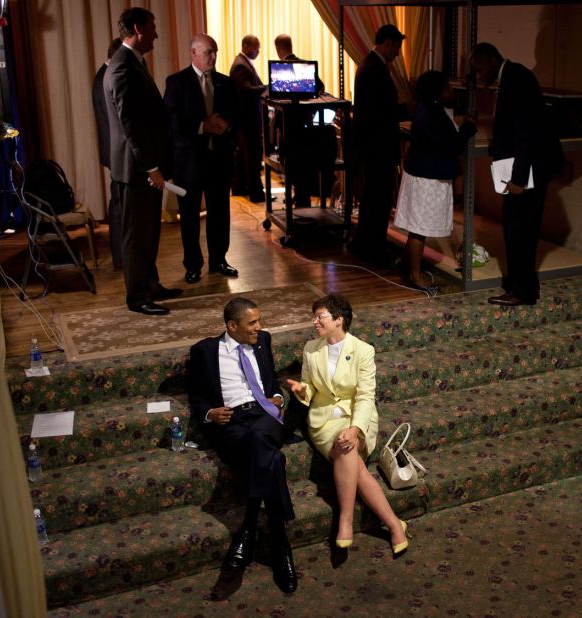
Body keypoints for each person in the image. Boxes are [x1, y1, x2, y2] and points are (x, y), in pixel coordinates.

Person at [285, 294, 411, 557]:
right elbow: (310, 390)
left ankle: (345, 519)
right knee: (347, 451)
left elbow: (365, 396)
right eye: (315, 316)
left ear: (339, 319)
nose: (314, 321)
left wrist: (355, 429)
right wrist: (301, 390)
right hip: (323, 420)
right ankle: (393, 524)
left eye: (320, 316)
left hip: (358, 417)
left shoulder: (363, 351)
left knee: (347, 444)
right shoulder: (311, 348)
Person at [187, 297, 298, 593]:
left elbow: (271, 381)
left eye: (259, 321)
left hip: (265, 414)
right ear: (231, 326)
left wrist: (276, 396)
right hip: (232, 422)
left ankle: (248, 529)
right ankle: (279, 541)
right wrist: (210, 413)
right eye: (252, 323)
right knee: (273, 460)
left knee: (262, 435)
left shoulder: (263, 341)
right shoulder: (205, 351)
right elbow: (196, 396)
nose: (259, 327)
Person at [469, 42, 565, 307]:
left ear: (490, 59)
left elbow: (526, 133)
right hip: (524, 165)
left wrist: (519, 179)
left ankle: (522, 291)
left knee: (519, 227)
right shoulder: (511, 77)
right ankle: (519, 285)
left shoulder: (516, 79)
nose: (479, 76)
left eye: (478, 69)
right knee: (515, 226)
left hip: (528, 169)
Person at [103, 7, 182, 315]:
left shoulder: (133, 62)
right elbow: (130, 124)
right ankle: (138, 297)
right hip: (135, 169)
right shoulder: (122, 66)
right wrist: (152, 167)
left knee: (149, 231)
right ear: (137, 28)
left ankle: (150, 284)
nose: (156, 35)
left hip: (143, 167)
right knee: (136, 236)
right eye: (152, 28)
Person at [164, 34, 241, 283]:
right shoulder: (176, 82)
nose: (214, 56)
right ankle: (193, 265)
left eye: (215, 51)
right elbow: (172, 121)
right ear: (194, 53)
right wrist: (202, 126)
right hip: (189, 162)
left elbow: (235, 115)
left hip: (219, 160)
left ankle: (219, 260)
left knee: (220, 213)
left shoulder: (225, 83)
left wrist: (226, 125)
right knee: (189, 215)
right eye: (209, 52)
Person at [394, 70, 476, 292]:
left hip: (420, 173)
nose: (451, 91)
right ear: (437, 92)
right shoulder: (433, 116)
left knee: (416, 226)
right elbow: (452, 146)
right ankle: (415, 275)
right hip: (427, 178)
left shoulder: (426, 108)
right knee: (419, 228)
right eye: (447, 87)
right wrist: (468, 128)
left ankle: (408, 266)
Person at [347, 24, 409, 266]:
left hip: (372, 146)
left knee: (373, 198)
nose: (397, 53)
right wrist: (408, 110)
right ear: (388, 43)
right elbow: (382, 110)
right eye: (397, 48)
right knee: (379, 200)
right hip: (377, 147)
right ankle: (374, 249)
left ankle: (365, 244)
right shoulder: (374, 68)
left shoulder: (370, 65)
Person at [271, 34, 333, 209]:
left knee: (294, 168)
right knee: (304, 169)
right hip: (307, 129)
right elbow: (320, 87)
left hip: (289, 129)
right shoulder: (304, 65)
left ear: (278, 49)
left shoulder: (280, 68)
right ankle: (301, 200)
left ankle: (300, 202)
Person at [92, 37, 124, 270]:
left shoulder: (103, 74)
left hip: (114, 151)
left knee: (119, 205)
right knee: (120, 206)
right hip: (117, 152)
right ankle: (121, 255)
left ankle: (121, 254)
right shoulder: (107, 77)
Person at [229, 35, 268, 203]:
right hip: (247, 120)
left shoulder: (242, 63)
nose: (258, 51)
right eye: (256, 47)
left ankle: (240, 187)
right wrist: (267, 88)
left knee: (244, 157)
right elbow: (246, 90)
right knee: (252, 157)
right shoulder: (240, 66)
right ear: (245, 46)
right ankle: (256, 193)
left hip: (246, 120)